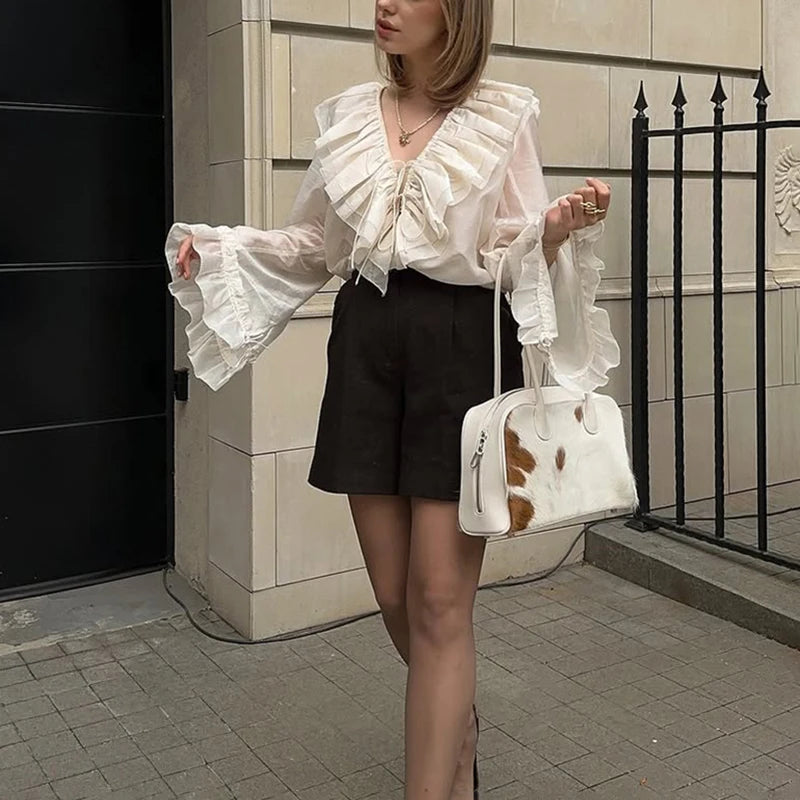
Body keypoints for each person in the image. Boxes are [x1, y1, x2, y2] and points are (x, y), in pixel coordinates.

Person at [166, 1, 617, 797]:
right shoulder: (350, 116)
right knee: (394, 595)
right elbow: (317, 242)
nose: (386, 3)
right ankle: (459, 726)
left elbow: (508, 256)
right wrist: (228, 249)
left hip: (458, 350)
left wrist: (550, 231)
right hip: (367, 345)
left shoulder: (503, 117)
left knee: (440, 601)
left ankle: (445, 776)